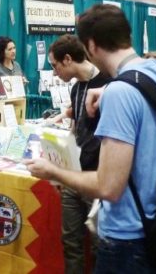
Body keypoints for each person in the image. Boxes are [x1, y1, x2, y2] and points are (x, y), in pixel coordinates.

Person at [26, 4, 156, 274]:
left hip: (127, 234)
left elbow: (109, 186)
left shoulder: (120, 93)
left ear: (90, 45)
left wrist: (54, 171)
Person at [48, 34, 110, 273]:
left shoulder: (109, 83)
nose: (54, 73)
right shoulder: (76, 88)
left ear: (67, 59)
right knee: (70, 241)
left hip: (97, 177)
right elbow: (76, 130)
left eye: (55, 66)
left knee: (98, 246)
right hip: (75, 175)